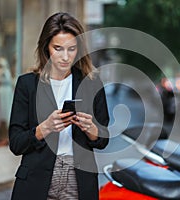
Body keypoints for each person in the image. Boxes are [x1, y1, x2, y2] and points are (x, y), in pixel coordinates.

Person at [9, 12, 109, 200]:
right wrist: (45, 128)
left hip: (79, 177)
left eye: (71, 49)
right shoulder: (27, 84)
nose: (65, 57)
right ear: (46, 47)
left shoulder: (92, 84)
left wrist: (90, 129)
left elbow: (103, 140)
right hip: (36, 178)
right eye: (58, 48)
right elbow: (16, 143)